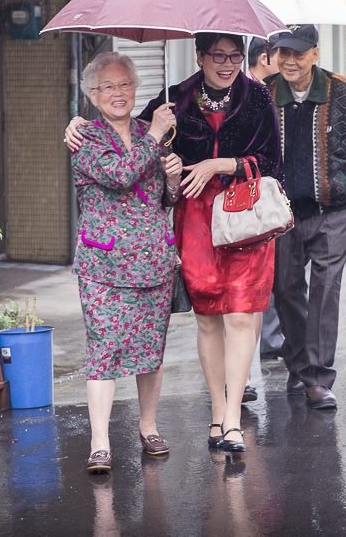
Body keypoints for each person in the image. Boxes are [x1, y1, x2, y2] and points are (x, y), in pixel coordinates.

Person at [66, 34, 280, 453]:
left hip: (243, 215)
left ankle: (232, 418)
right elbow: (127, 137)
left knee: (239, 316)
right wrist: (75, 123)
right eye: (218, 55)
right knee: (205, 317)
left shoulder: (258, 97)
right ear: (199, 56)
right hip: (194, 220)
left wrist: (218, 165)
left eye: (235, 55)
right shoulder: (176, 99)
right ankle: (215, 412)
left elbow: (273, 161)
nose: (227, 63)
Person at [264, 24, 346, 410]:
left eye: (298, 54)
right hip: (282, 213)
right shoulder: (266, 95)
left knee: (325, 291)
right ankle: (298, 363)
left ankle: (318, 377)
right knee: (285, 290)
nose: (289, 61)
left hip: (332, 210)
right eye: (282, 53)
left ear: (315, 55)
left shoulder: (343, 95)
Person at [69, 52, 182, 473]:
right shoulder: (85, 138)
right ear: (93, 95)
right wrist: (155, 138)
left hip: (154, 259)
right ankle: (100, 443)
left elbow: (165, 200)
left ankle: (149, 426)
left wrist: (172, 177)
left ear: (136, 89)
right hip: (105, 265)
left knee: (150, 350)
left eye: (125, 85)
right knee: (104, 348)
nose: (118, 94)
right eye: (108, 87)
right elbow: (119, 175)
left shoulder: (151, 132)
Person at [247, 36, 285, 362]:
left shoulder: (264, 92)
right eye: (280, 55)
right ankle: (268, 344)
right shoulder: (257, 93)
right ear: (264, 57)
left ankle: (267, 343)